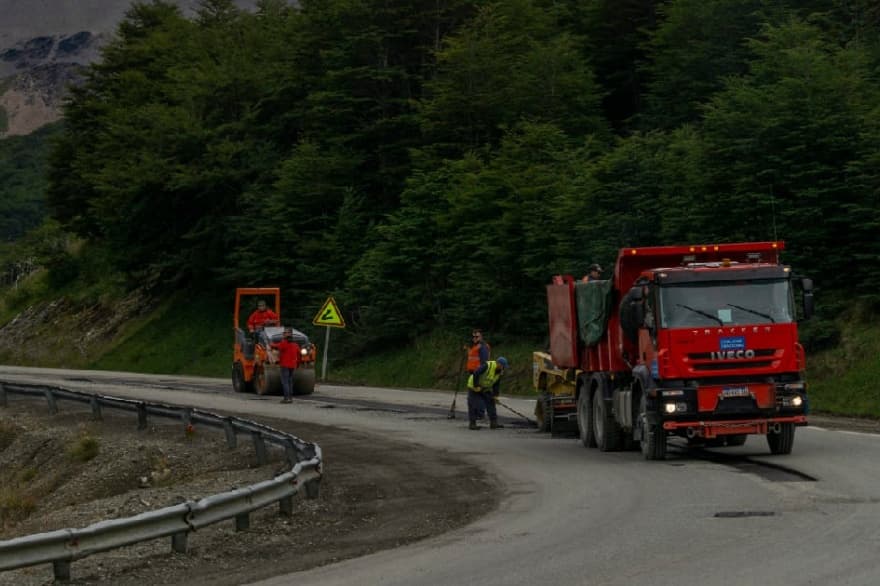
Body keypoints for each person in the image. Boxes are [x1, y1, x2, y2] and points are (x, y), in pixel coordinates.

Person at [466, 356, 509, 430]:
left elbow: (496, 384)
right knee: (476, 405)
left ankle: (494, 423)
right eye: (502, 366)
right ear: (498, 364)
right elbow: (476, 373)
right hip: (474, 387)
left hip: (485, 388)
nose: (503, 368)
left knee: (491, 403)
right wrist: (476, 386)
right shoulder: (487, 365)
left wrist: (496, 395)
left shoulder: (499, 372)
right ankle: (472, 424)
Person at [271, 327, 301, 403]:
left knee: (285, 382)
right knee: (290, 381)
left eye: (285, 333)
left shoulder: (283, 343)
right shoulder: (295, 345)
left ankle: (286, 398)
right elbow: (299, 355)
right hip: (292, 366)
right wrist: (297, 364)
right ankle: (290, 398)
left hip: (284, 365)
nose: (284, 334)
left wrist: (270, 344)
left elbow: (277, 347)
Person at [467, 329, 491, 419]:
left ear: (481, 337)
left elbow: (484, 362)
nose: (474, 338)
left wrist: (481, 373)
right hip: (473, 373)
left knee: (476, 394)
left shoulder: (483, 347)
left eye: (476, 336)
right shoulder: (474, 346)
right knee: (474, 394)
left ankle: (480, 413)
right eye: (473, 336)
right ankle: (478, 413)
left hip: (479, 373)